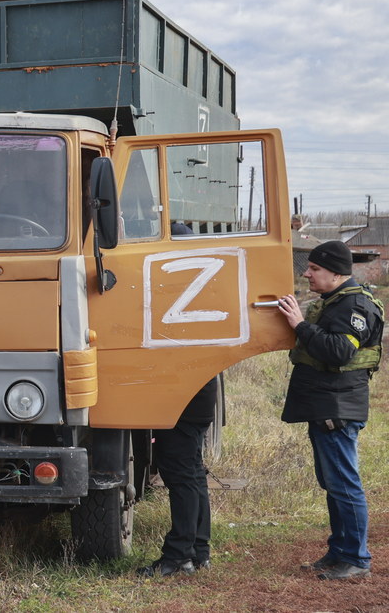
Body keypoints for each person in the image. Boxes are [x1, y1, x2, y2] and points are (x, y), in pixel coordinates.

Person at [278, 240, 383, 580]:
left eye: (315, 269)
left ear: (336, 273)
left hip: (337, 407)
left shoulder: (354, 305)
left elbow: (339, 352)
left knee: (344, 483)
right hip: (325, 403)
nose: (306, 273)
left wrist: (299, 324)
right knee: (333, 482)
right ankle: (340, 551)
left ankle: (356, 559)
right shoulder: (334, 302)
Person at [138, 220, 215, 577]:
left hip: (182, 395)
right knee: (192, 474)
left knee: (180, 474)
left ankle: (178, 556)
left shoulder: (178, 293)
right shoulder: (205, 290)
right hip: (197, 393)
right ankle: (199, 550)